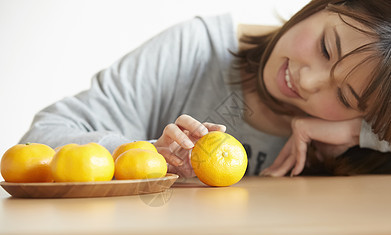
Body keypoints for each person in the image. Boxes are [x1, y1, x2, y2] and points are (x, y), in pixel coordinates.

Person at [19, 0, 391, 178]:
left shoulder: (353, 138)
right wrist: (147, 156)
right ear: (325, 5)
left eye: (344, 97)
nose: (308, 81)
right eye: (326, 48)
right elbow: (42, 137)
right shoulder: (193, 49)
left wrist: (361, 133)